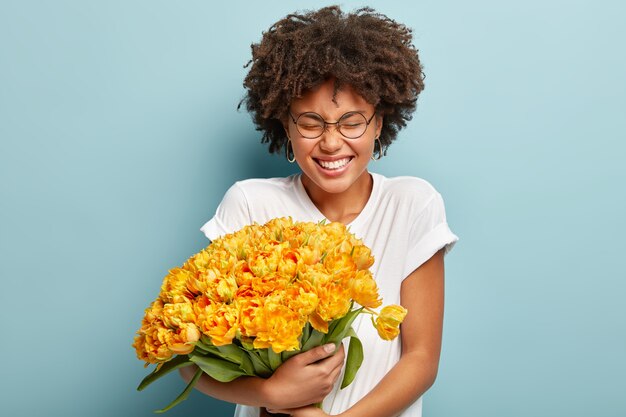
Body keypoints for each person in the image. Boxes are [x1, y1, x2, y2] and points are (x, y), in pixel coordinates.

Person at [180, 6, 458, 417]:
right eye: (311, 123)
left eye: (351, 122)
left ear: (379, 123)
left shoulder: (412, 205)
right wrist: (273, 396)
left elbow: (420, 361)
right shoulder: (250, 205)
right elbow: (189, 360)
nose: (331, 143)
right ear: (286, 126)